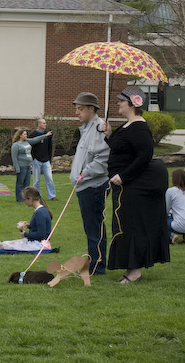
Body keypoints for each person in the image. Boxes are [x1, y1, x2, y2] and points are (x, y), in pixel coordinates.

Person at [103, 86, 170, 283]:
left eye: (121, 100)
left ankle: (135, 272)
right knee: (124, 226)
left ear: (133, 103)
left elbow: (144, 157)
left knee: (133, 228)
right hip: (125, 188)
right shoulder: (128, 126)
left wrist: (123, 176)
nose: (117, 103)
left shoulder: (140, 128)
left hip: (134, 188)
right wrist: (109, 135)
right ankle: (130, 268)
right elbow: (121, 151)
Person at [69, 92, 111, 275]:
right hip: (85, 186)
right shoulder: (86, 129)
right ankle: (94, 263)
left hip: (94, 186)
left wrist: (83, 173)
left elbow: (103, 160)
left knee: (95, 228)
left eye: (80, 109)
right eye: (76, 108)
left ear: (92, 109)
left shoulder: (99, 129)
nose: (77, 112)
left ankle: (97, 266)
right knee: (90, 228)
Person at [0, 187, 53, 252]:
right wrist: (29, 226)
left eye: (24, 199)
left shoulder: (40, 213)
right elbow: (40, 227)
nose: (24, 202)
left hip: (37, 244)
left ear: (30, 199)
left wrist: (25, 234)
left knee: (4, 245)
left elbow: (41, 234)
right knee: (4, 244)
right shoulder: (41, 211)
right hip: (36, 243)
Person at [11, 129, 52, 201]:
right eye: (24, 134)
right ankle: (19, 198)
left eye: (26, 134)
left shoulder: (27, 141)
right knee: (20, 183)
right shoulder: (16, 145)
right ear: (20, 135)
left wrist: (45, 136)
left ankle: (25, 197)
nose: (26, 135)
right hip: (21, 166)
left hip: (28, 166)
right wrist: (17, 168)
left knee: (27, 183)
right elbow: (14, 158)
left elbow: (35, 139)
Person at [29, 118, 57, 201]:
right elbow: (31, 147)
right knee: (36, 180)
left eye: (45, 123)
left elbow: (50, 147)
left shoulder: (47, 134)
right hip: (36, 160)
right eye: (44, 123)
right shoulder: (33, 135)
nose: (45, 124)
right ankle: (38, 196)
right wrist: (33, 158)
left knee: (49, 178)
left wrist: (49, 158)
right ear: (39, 124)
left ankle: (52, 196)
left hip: (46, 160)